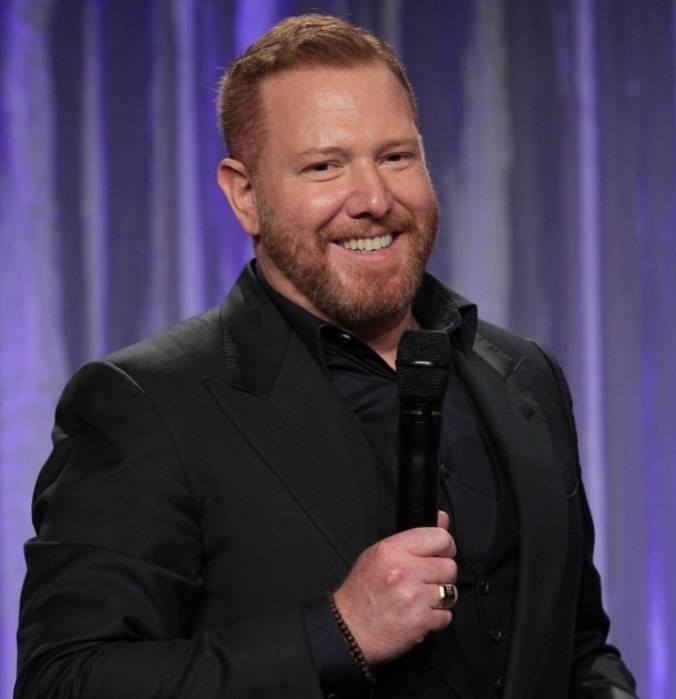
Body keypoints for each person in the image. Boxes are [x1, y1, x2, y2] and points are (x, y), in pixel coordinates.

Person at [15, 14, 637, 699]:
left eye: (396, 157)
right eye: (324, 167)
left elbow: (578, 647)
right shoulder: (145, 405)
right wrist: (337, 632)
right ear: (245, 195)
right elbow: (65, 681)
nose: (373, 199)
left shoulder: (524, 373)